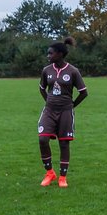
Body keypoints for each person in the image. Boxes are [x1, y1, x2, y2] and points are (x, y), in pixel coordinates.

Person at [38, 36, 88, 188]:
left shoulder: (73, 71)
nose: (48, 56)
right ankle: (49, 173)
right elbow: (41, 88)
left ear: (59, 54)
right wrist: (49, 101)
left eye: (50, 53)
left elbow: (83, 92)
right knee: (42, 140)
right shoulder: (46, 70)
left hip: (66, 111)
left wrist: (72, 106)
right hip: (49, 110)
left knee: (64, 144)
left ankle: (62, 177)